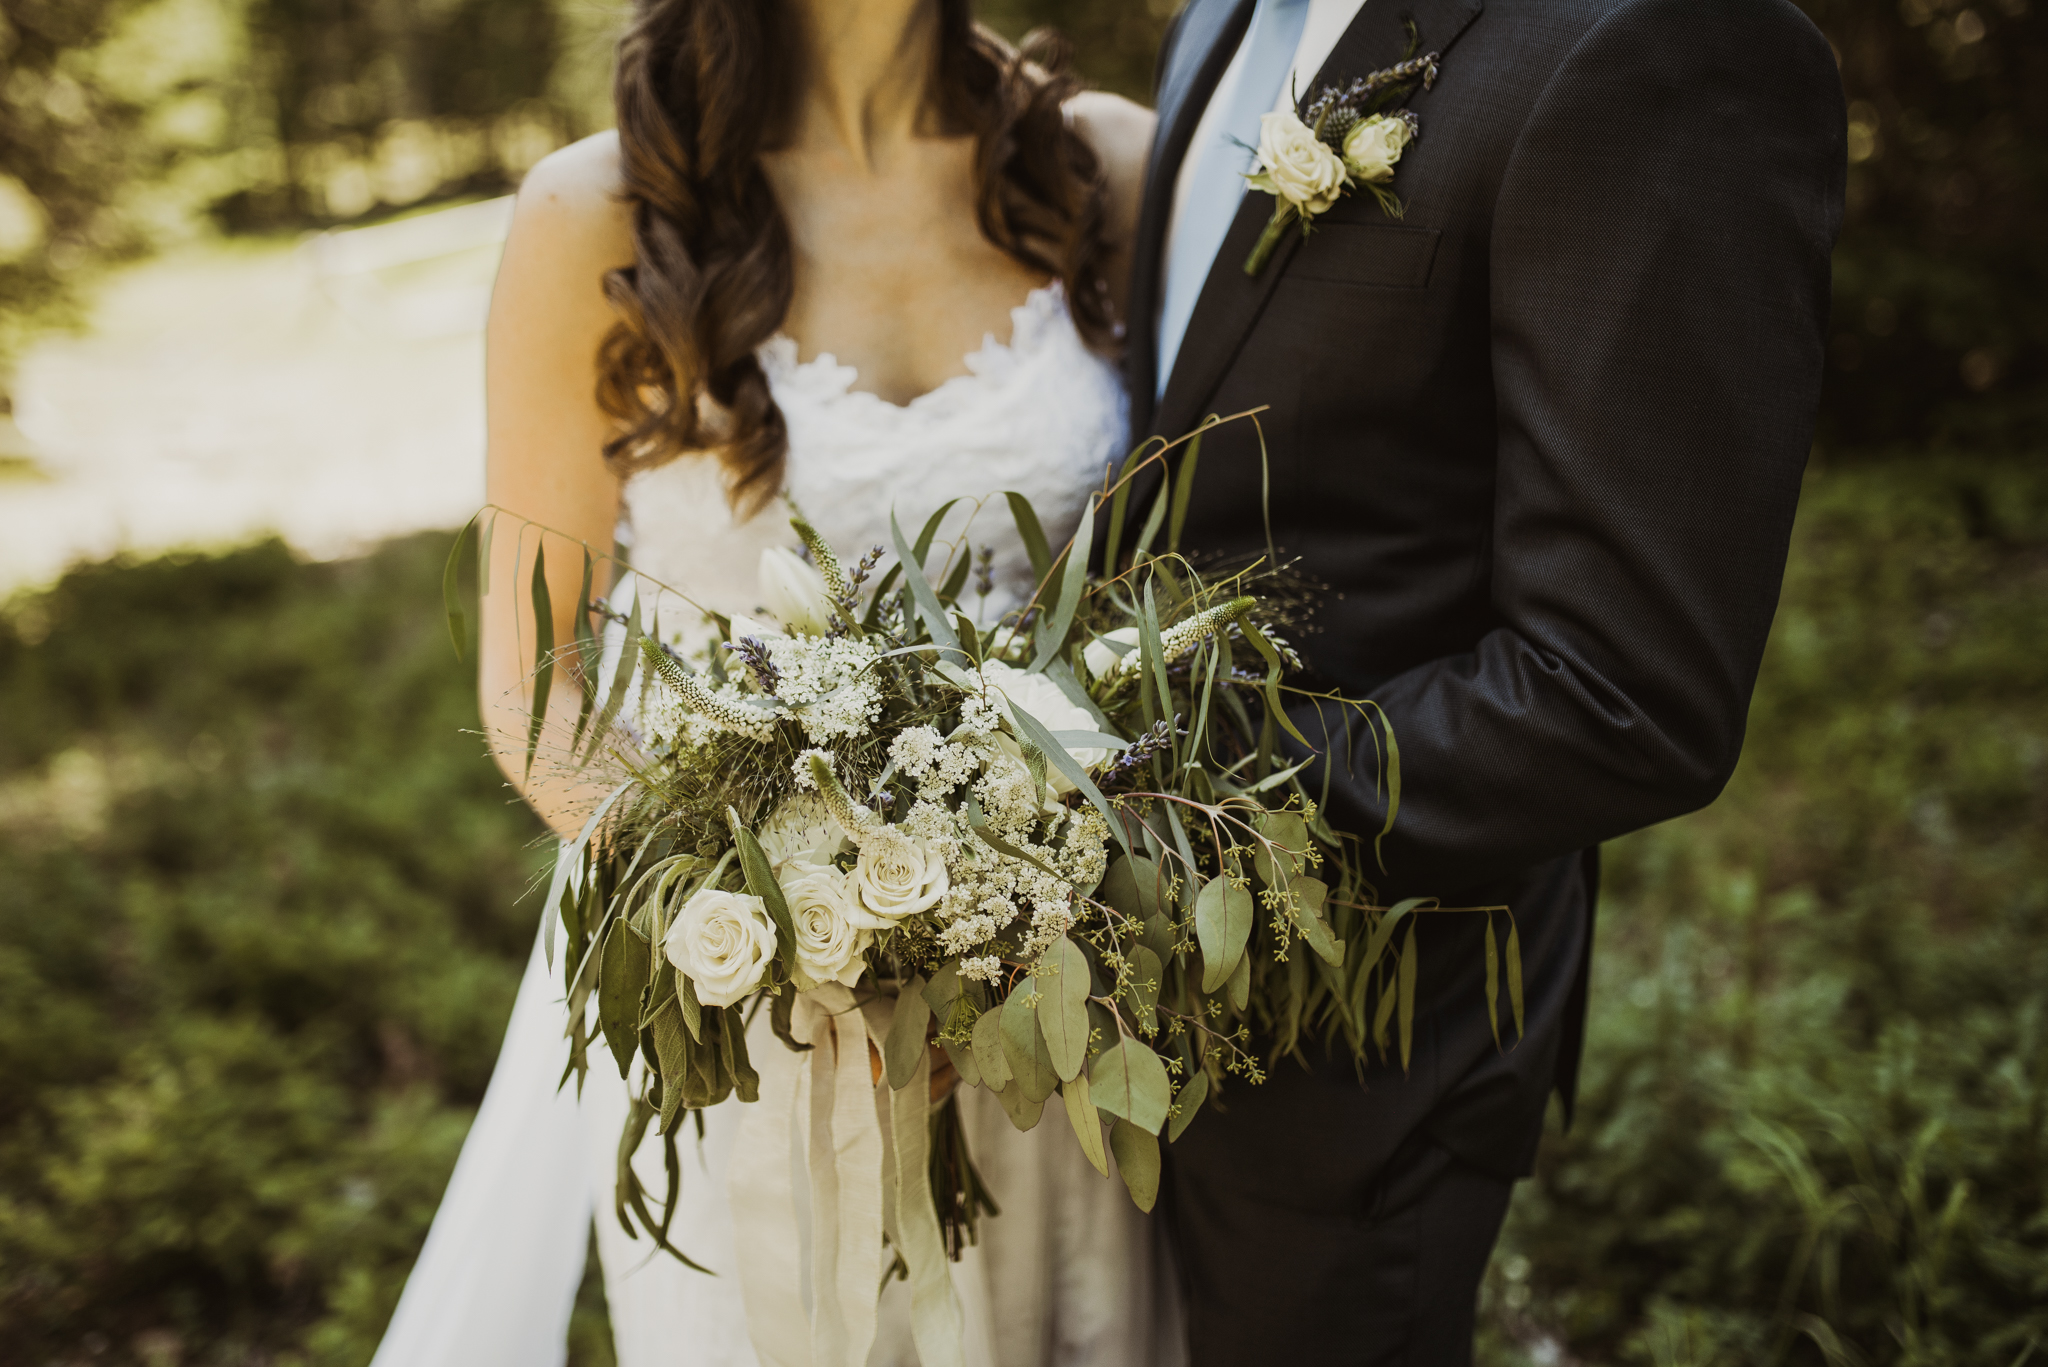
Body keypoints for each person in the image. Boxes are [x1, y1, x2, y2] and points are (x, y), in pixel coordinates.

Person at [369, 2, 1173, 1365]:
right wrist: (798, 941)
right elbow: (540, 682)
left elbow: (1188, 577)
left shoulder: (1107, 169)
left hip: (1062, 1009)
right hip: (758, 1034)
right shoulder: (597, 214)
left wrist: (1026, 911)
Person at [1119, 0, 1845, 1360]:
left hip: (1364, 1041)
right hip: (1097, 1026)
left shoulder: (1656, 46)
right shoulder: (1217, 19)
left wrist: (1136, 820)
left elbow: (1621, 689)